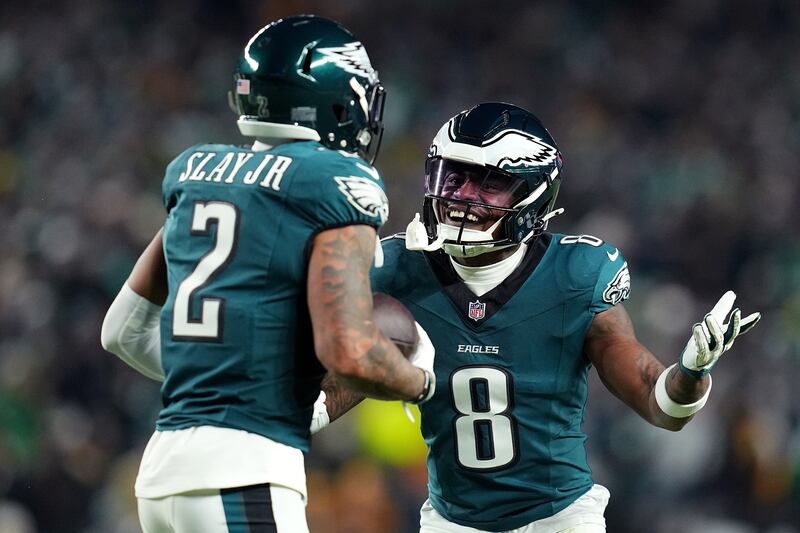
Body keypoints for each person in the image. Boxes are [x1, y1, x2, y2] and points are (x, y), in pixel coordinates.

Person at [311, 102, 761, 532]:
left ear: (532, 194)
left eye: (488, 183)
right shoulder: (394, 268)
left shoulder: (575, 274)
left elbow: (660, 404)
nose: (463, 196)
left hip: (560, 519)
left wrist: (692, 372)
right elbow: (333, 390)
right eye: (455, 178)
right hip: (453, 520)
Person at [100, 15, 435, 533]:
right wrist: (420, 381)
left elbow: (121, 332)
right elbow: (348, 351)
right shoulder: (336, 182)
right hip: (243, 474)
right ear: (339, 102)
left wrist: (240, 379)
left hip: (162, 475)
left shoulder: (198, 172)